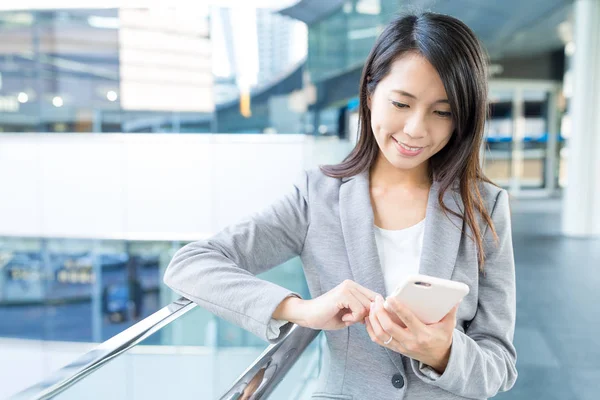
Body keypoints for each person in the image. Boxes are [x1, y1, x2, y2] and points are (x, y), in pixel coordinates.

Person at [164, 11, 517, 399]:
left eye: (442, 112)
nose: (417, 128)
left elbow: (498, 366)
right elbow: (191, 265)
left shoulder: (485, 208)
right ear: (369, 94)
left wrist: (442, 352)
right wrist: (300, 309)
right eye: (401, 104)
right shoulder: (318, 198)